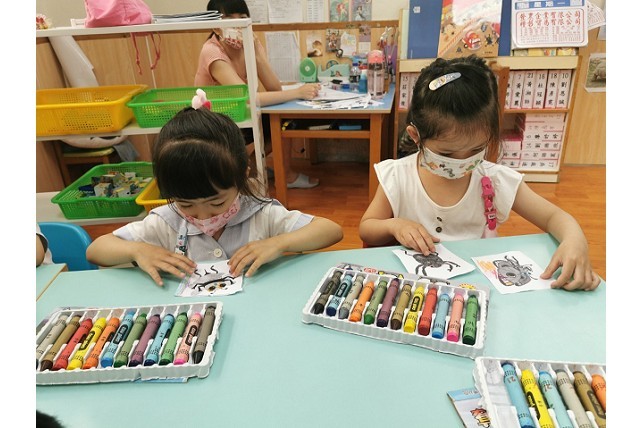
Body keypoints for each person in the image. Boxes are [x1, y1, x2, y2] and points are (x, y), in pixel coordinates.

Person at [359, 55, 600, 291]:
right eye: (447, 153)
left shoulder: (494, 180)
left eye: (476, 150)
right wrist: (394, 226)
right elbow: (367, 228)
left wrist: (574, 241)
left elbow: (554, 217)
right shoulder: (398, 176)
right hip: (414, 290)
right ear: (415, 136)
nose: (462, 161)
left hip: (477, 290)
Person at [86, 104, 343, 287]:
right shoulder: (166, 222)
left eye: (217, 202)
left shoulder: (260, 214)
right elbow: (96, 250)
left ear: (242, 176)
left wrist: (279, 243)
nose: (203, 216)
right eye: (186, 204)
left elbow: (330, 230)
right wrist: (137, 250)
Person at [195, 0, 321, 189]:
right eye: (228, 19)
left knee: (284, 119)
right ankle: (255, 169)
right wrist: (297, 92)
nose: (237, 24)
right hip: (215, 121)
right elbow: (248, 98)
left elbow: (274, 87)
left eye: (242, 18)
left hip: (239, 115)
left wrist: (256, 53)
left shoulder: (249, 43)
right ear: (215, 26)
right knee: (277, 115)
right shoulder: (212, 51)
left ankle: (264, 168)